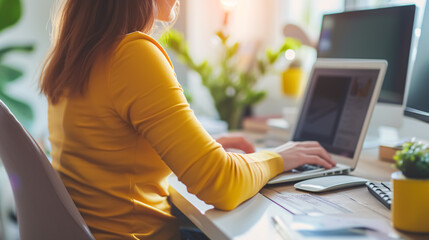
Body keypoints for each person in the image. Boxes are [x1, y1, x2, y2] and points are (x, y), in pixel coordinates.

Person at [39, 0, 336, 239]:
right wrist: (280, 156)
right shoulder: (132, 54)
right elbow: (221, 185)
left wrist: (197, 148)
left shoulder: (75, 60)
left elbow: (110, 149)